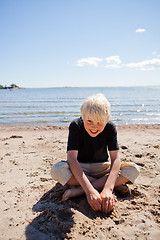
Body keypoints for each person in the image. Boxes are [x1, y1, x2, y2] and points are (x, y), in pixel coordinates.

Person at [51, 94, 140, 213]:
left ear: (106, 119)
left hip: (102, 167)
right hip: (80, 168)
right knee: (56, 170)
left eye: (99, 122)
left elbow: (116, 159)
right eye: (89, 121)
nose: (94, 126)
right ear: (83, 116)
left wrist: (108, 189)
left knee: (133, 170)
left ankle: (79, 189)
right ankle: (101, 184)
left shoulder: (110, 127)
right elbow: (72, 159)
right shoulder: (76, 125)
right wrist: (90, 191)